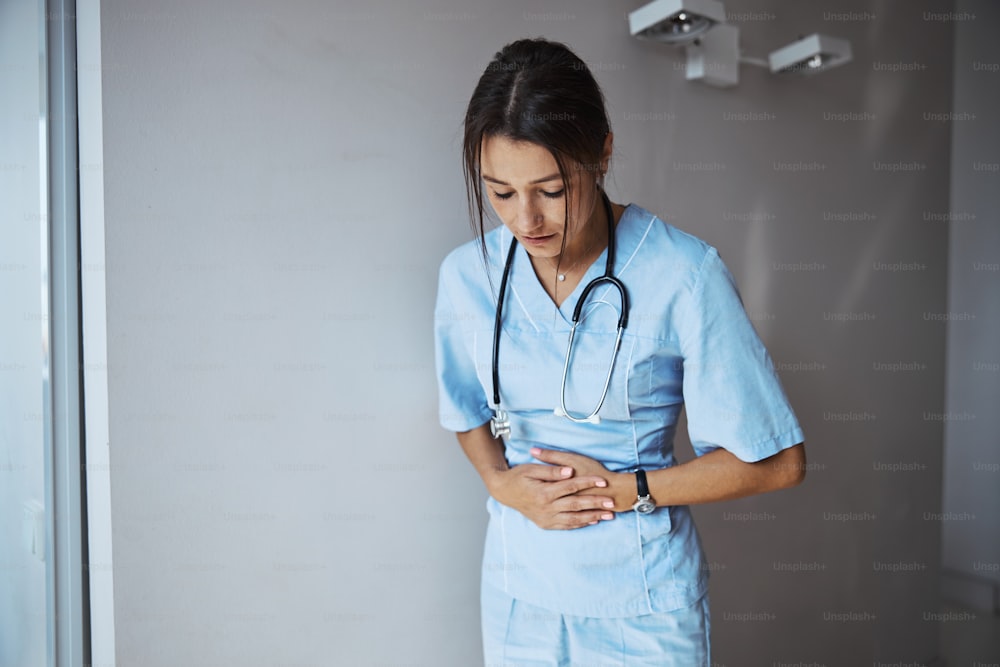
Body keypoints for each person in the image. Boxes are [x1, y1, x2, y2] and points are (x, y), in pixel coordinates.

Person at [434, 37, 806, 666]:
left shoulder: (684, 274)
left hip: (642, 606)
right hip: (518, 594)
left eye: (551, 190)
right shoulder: (468, 276)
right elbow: (465, 411)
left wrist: (633, 488)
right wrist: (501, 484)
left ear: (602, 152)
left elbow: (776, 463)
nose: (526, 220)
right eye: (500, 192)